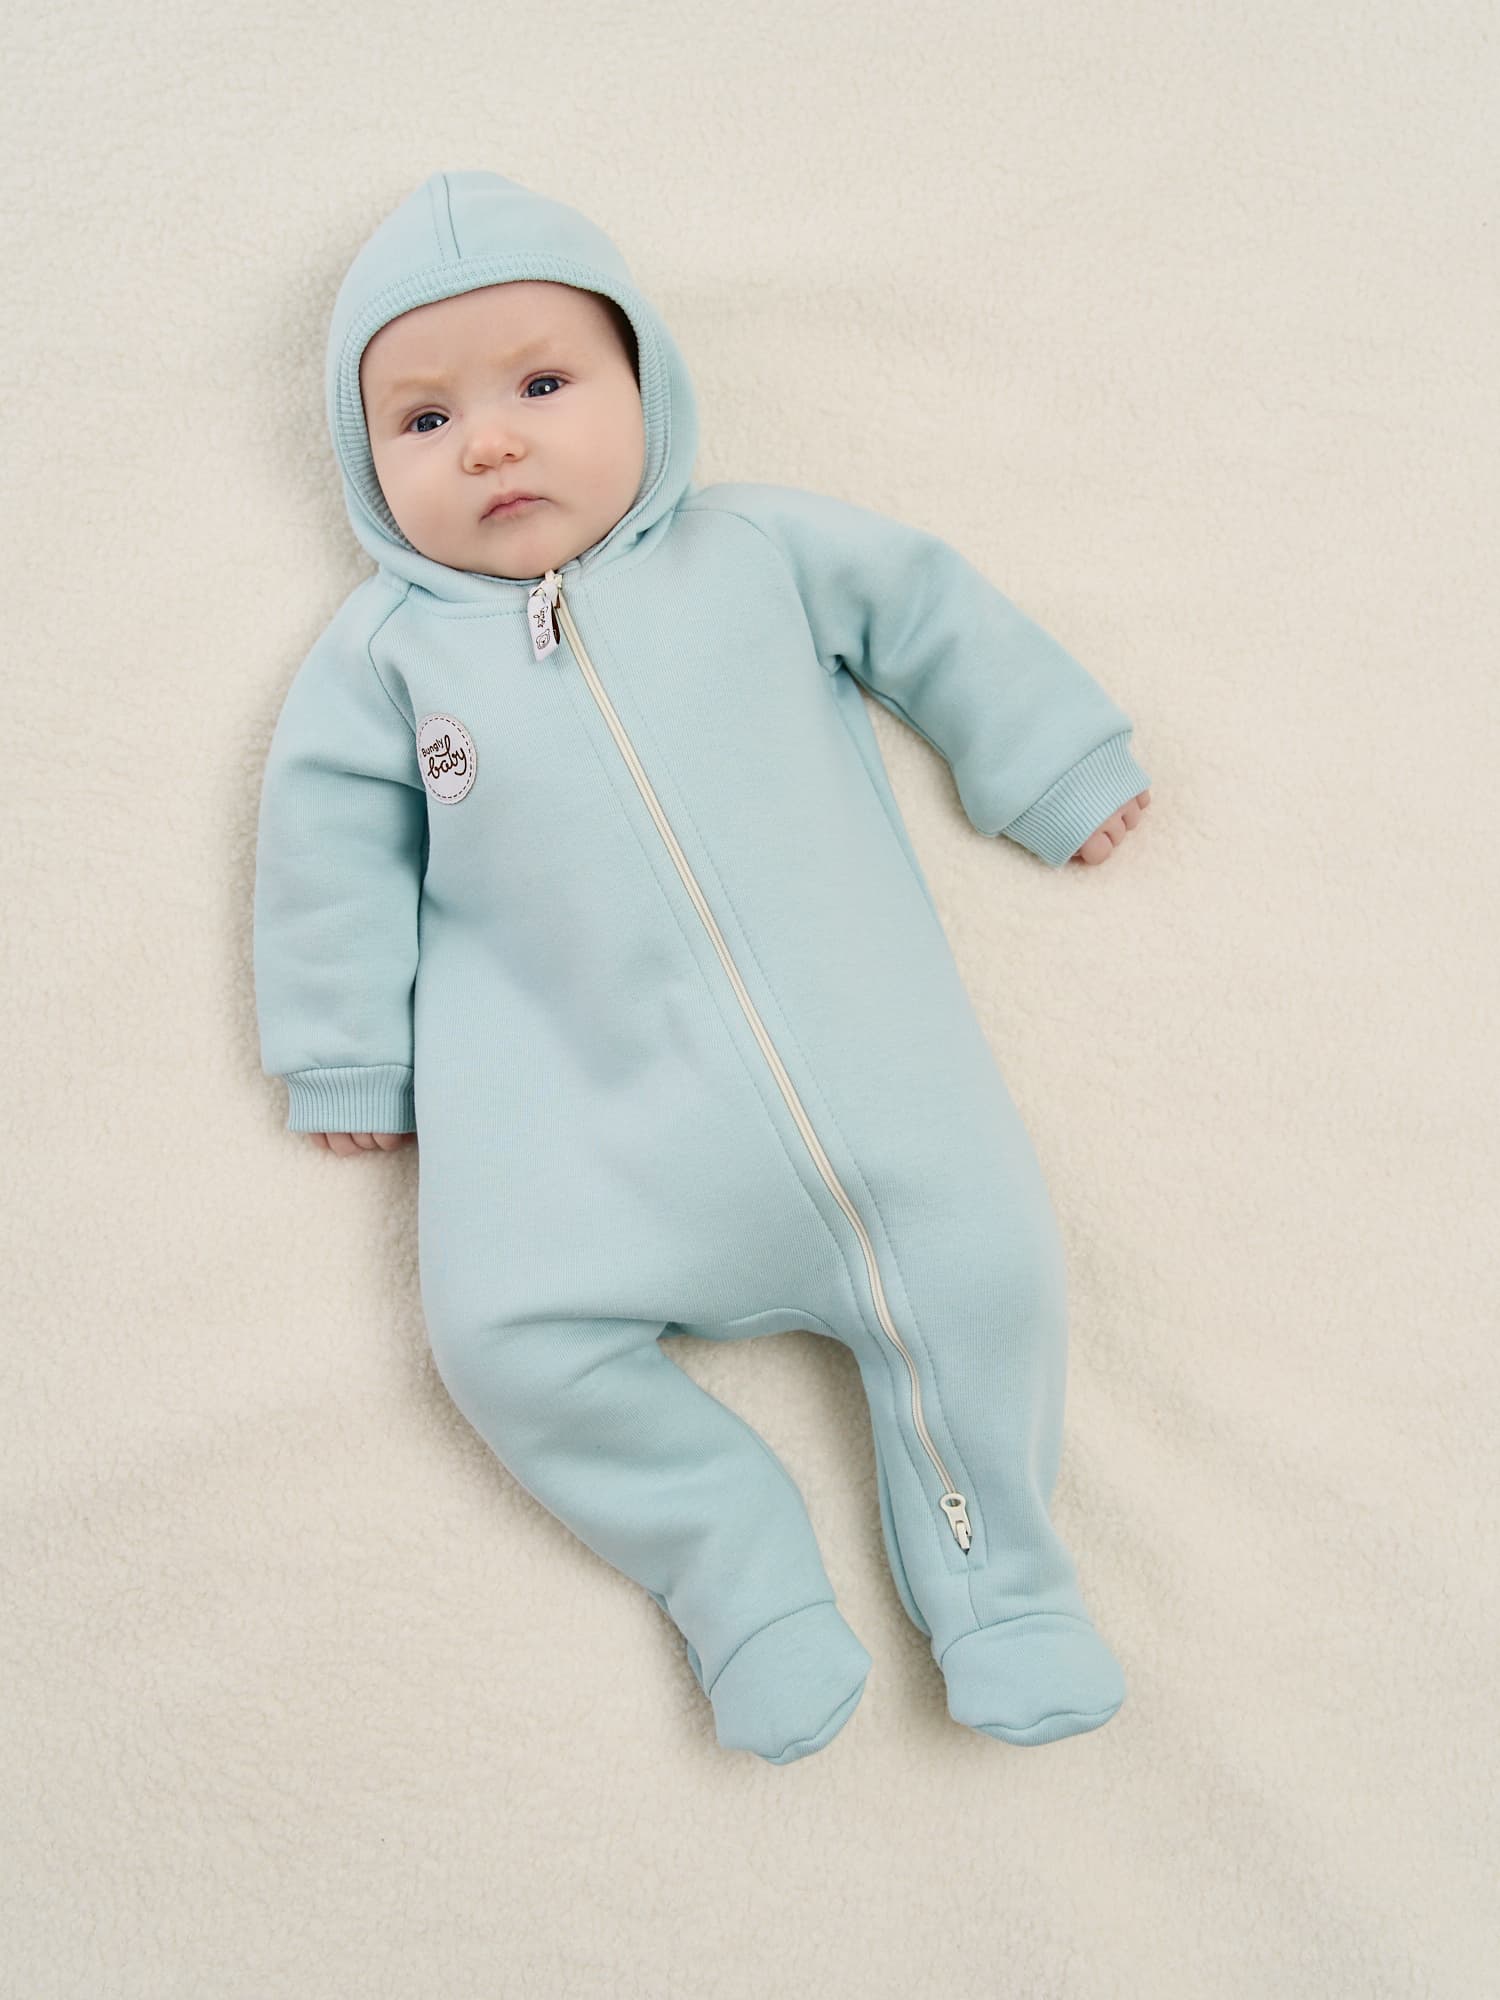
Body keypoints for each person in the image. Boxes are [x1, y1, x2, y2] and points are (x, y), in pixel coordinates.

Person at [253, 168, 1154, 1765]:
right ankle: (740, 1575)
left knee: (993, 1277)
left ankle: (1004, 1594)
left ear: (647, 384)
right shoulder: (383, 660)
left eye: (542, 386)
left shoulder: (760, 549)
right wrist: (347, 1052)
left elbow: (933, 615)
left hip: (877, 1113)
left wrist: (1050, 759)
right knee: (498, 1348)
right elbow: (326, 857)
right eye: (425, 419)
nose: (491, 444)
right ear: (359, 460)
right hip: (582, 1149)